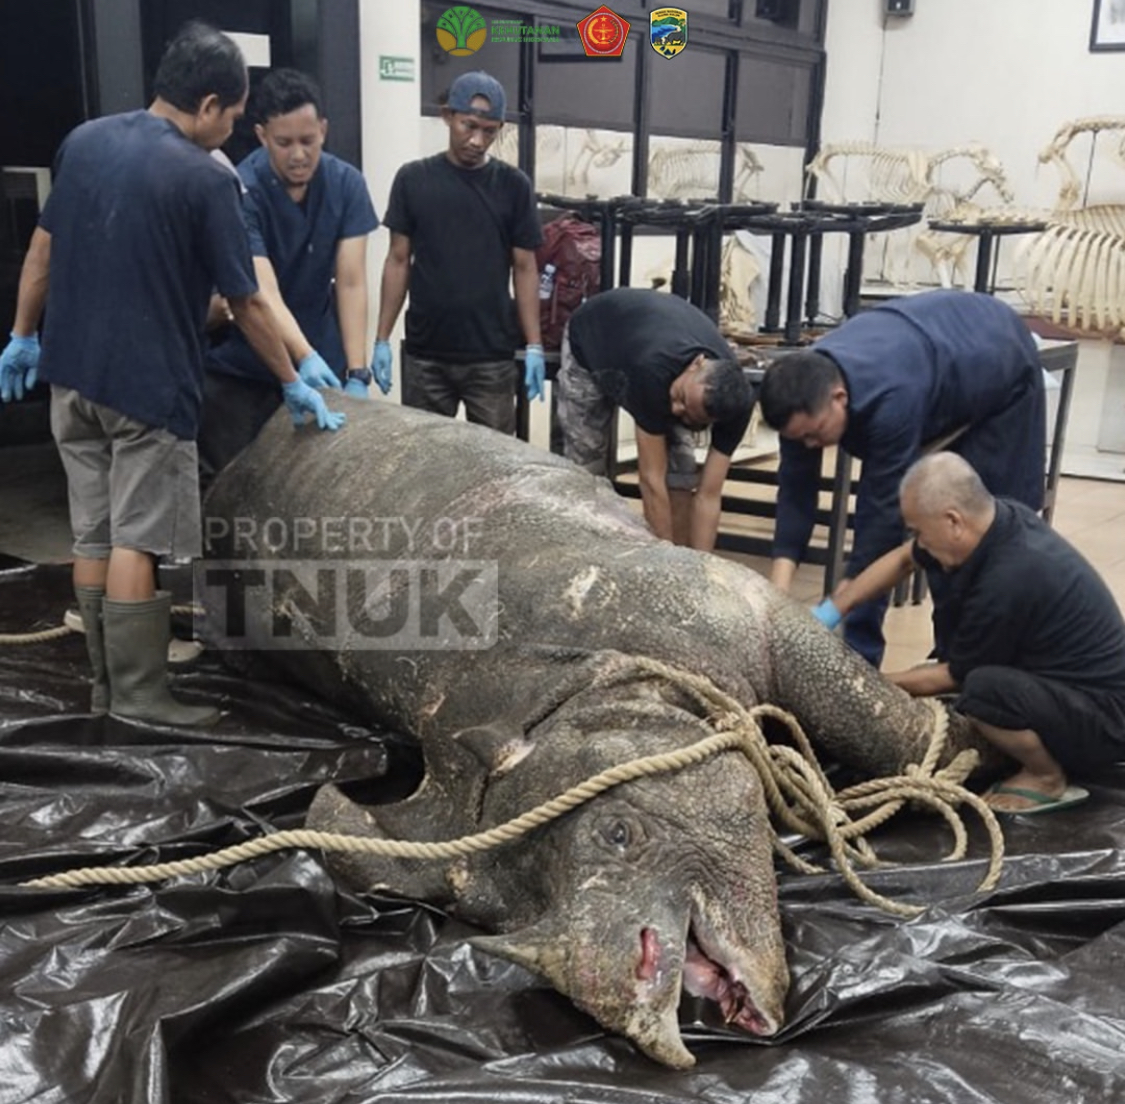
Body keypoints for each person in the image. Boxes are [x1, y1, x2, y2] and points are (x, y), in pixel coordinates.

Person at [0, 22, 344, 728]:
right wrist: (289, 378)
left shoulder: (85, 141)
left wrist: (21, 336)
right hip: (146, 389)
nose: (236, 132)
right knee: (138, 539)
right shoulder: (202, 177)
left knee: (92, 536)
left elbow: (43, 249)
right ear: (210, 103)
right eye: (236, 116)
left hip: (69, 380)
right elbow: (246, 300)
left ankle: (103, 685)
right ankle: (141, 696)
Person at [758, 288, 1046, 668]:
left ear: (840, 397)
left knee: (978, 534)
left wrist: (838, 616)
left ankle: (942, 663)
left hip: (1001, 367)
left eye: (815, 434)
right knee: (938, 535)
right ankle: (951, 655)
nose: (811, 445)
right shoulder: (801, 402)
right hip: (935, 356)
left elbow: (880, 522)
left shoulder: (890, 400)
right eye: (801, 439)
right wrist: (775, 600)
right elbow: (796, 493)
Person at [832, 451, 1125, 814]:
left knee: (982, 691)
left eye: (919, 531)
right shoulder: (992, 520)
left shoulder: (1009, 577)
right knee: (958, 670)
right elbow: (903, 559)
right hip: (1061, 682)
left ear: (953, 521)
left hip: (1104, 717)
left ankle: (1046, 776)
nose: (917, 540)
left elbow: (952, 677)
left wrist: (857, 682)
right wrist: (835, 607)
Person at [198, 67, 381, 482]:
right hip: (241, 368)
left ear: (323, 130)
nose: (298, 154)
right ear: (262, 136)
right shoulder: (239, 189)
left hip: (321, 362)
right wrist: (302, 358)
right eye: (284, 143)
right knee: (233, 486)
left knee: (317, 483)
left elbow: (351, 282)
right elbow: (263, 290)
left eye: (308, 141)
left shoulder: (346, 184)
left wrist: (356, 372)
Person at [373, 70, 545, 434]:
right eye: (468, 126)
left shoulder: (514, 186)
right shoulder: (414, 179)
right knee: (424, 463)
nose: (477, 140)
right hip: (426, 354)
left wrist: (533, 345)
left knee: (497, 468)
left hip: (491, 356)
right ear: (447, 116)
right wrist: (381, 339)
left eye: (489, 131)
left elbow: (525, 267)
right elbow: (398, 260)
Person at [557, 287, 757, 551]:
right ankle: (585, 557)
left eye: (688, 414)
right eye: (681, 398)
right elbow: (651, 481)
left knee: (682, 473)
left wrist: (701, 566)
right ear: (697, 363)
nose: (675, 410)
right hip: (594, 334)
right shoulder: (651, 371)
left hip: (648, 341)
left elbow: (709, 495)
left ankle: (687, 563)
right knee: (587, 471)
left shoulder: (737, 404)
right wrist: (664, 566)